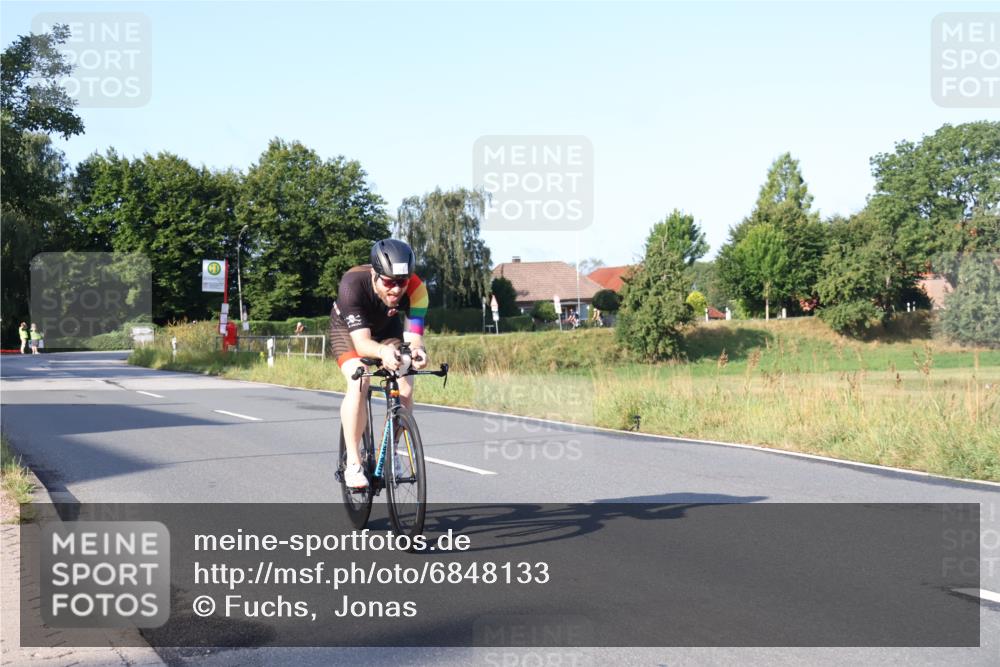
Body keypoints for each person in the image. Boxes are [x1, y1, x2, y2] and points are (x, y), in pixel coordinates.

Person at [329, 239, 430, 488]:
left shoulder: (418, 291)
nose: (396, 290)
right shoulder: (352, 285)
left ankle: (391, 453)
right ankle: (353, 462)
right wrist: (382, 352)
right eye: (388, 282)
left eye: (402, 283)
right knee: (360, 377)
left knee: (405, 382)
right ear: (375, 274)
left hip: (387, 330)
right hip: (348, 333)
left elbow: (414, 336)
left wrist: (417, 352)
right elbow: (362, 343)